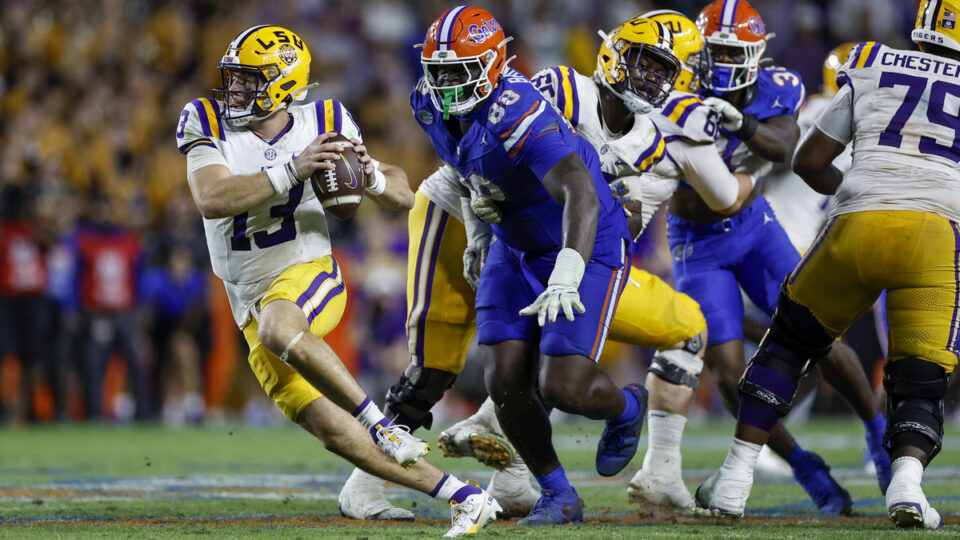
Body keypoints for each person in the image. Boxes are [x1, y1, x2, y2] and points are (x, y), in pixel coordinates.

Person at [176, 24, 499, 537]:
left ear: (283, 85)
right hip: (246, 298)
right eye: (233, 79)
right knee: (331, 430)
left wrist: (369, 176)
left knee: (281, 330)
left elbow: (402, 192)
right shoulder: (204, 118)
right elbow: (211, 197)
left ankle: (384, 426)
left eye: (248, 81)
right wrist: (293, 169)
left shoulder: (325, 120)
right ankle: (463, 496)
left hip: (307, 270)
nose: (234, 91)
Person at [697, 0, 960, 527]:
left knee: (789, 345)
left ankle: (734, 478)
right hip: (935, 236)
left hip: (856, 222)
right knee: (921, 376)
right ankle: (905, 487)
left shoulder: (871, 61)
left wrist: (864, 196)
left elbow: (810, 161)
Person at [411, 6, 647, 526]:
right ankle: (559, 493)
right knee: (504, 379)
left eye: (460, 70)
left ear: (495, 63)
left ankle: (629, 408)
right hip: (512, 244)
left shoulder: (516, 108)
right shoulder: (428, 104)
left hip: (584, 237)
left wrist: (567, 271)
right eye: (439, 71)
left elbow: (581, 196)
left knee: (564, 385)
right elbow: (463, 169)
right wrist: (477, 230)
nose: (446, 85)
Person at [662, 0, 883, 516]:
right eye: (714, 50)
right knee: (731, 374)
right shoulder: (676, 89)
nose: (720, 61)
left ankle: (878, 435)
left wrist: (739, 124)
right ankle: (807, 467)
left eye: (731, 51)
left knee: (821, 334)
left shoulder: (778, 85)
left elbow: (785, 146)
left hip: (755, 227)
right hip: (697, 241)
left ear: (756, 54)